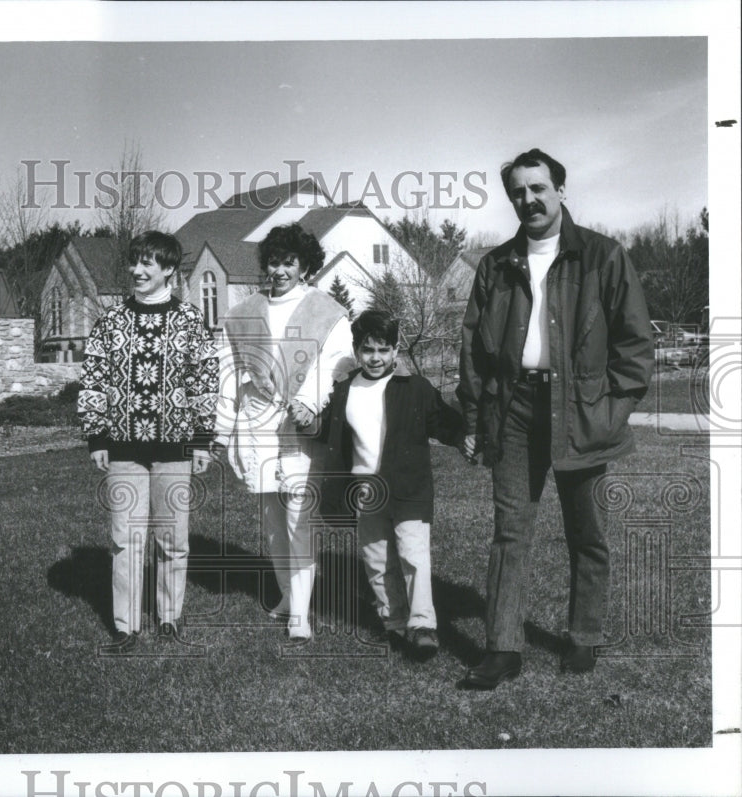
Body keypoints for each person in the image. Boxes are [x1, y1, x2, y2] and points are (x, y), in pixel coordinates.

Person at [456, 148, 654, 688]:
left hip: (582, 411)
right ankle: (502, 648)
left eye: (538, 188)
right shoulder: (496, 265)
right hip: (514, 411)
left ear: (560, 190)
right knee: (509, 532)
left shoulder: (602, 256)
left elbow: (636, 346)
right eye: (518, 191)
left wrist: (611, 413)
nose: (529, 199)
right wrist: (475, 419)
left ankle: (583, 637)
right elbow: (473, 350)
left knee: (587, 532)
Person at [77, 230, 218, 650]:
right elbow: (93, 380)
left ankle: (169, 617)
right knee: (126, 538)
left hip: (174, 448)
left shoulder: (190, 321)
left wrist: (202, 440)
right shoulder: (112, 321)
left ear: (169, 270)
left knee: (173, 538)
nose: (137, 270)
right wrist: (97, 435)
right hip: (122, 448)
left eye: (148, 264)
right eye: (134, 262)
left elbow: (204, 383)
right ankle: (125, 625)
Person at [213, 223, 354, 641]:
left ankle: (301, 616)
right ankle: (289, 595)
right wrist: (223, 429)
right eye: (273, 261)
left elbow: (337, 363)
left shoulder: (326, 311)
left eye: (288, 261)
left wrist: (309, 400)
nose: (279, 269)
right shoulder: (241, 314)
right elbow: (228, 373)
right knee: (273, 521)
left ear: (305, 265)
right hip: (256, 422)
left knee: (299, 519)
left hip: (300, 423)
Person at [317, 310, 463, 661]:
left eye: (384, 350)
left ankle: (423, 625)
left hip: (408, 485)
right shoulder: (344, 390)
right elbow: (331, 437)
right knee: (377, 559)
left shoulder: (414, 387)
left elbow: (443, 422)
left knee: (413, 555)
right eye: (368, 350)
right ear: (356, 350)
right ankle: (394, 622)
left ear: (396, 350)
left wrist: (468, 436)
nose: (376, 358)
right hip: (364, 487)